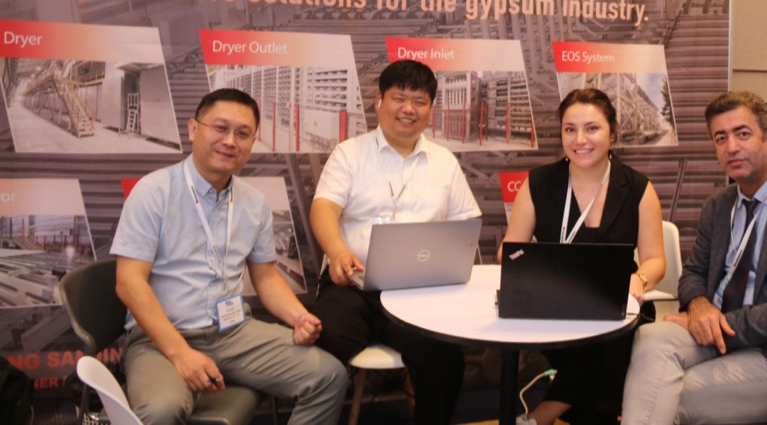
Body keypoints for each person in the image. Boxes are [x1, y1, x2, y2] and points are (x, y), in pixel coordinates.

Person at [111, 88, 347, 425]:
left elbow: (266, 278)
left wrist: (298, 317)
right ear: (194, 129)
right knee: (162, 410)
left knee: (329, 376)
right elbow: (128, 283)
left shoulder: (253, 202)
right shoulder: (153, 192)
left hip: (233, 332)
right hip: (159, 338)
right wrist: (181, 353)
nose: (230, 141)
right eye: (220, 128)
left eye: (243, 133)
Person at [622, 91, 767, 424]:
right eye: (720, 138)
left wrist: (719, 324)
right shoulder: (719, 205)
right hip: (718, 334)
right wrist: (699, 306)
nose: (731, 147)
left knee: (666, 395)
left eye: (742, 134)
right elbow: (694, 274)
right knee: (649, 339)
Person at [309, 58, 481, 425]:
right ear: (379, 100)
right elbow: (323, 208)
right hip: (353, 286)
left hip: (417, 294)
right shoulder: (349, 153)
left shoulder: (444, 162)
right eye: (399, 98)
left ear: (430, 109)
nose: (408, 109)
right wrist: (337, 251)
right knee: (327, 342)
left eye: (419, 101)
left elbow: (466, 222)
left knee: (444, 355)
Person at [499, 88, 666, 425]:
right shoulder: (538, 184)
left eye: (592, 128)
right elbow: (508, 250)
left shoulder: (638, 188)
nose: (580, 140)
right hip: (553, 307)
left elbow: (655, 260)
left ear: (612, 132)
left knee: (611, 336)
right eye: (570, 129)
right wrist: (533, 264)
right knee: (605, 355)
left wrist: (639, 279)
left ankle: (540, 417)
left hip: (618, 303)